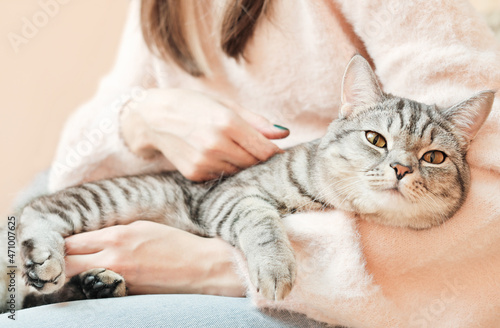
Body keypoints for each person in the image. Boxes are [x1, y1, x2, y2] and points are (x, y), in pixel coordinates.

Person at [13, 0, 500, 327]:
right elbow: (76, 157)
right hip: (171, 199)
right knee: (26, 222)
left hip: (310, 267)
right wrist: (141, 116)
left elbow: (488, 203)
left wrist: (218, 266)